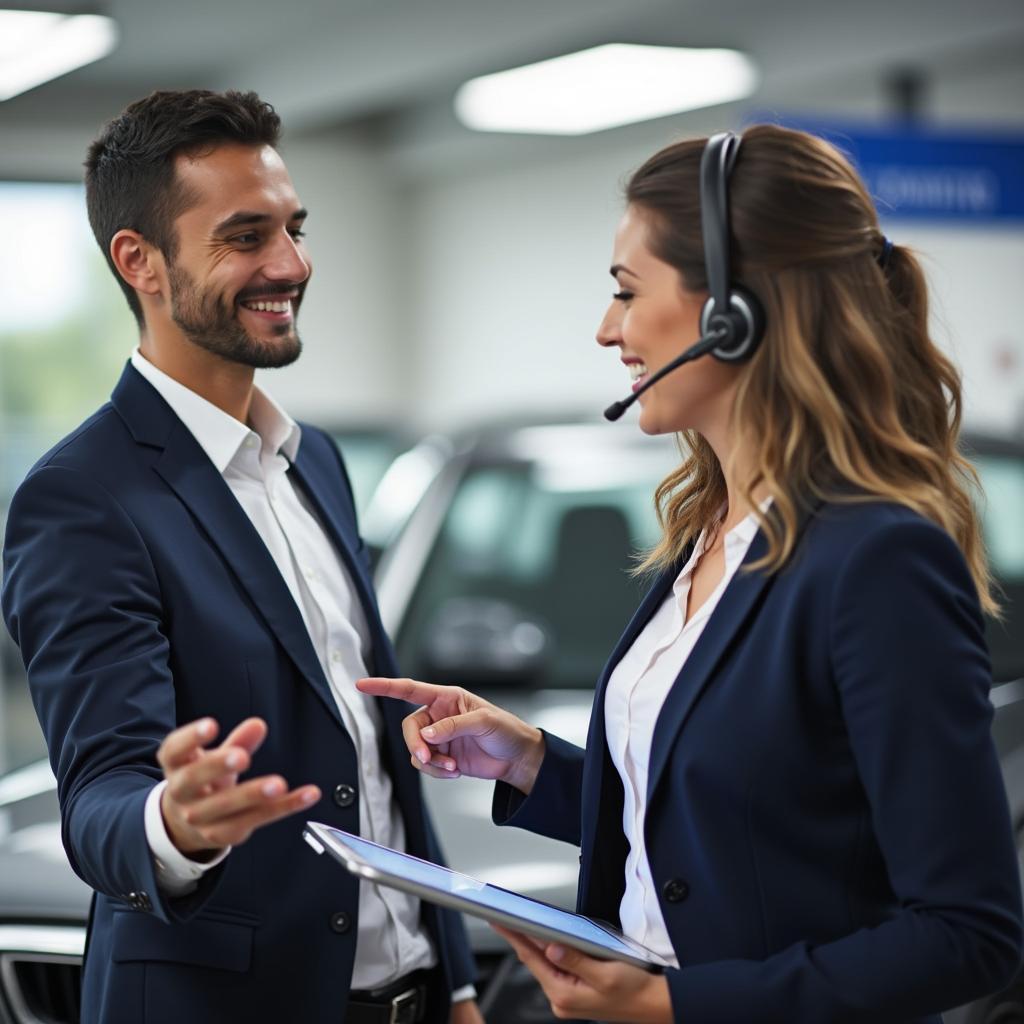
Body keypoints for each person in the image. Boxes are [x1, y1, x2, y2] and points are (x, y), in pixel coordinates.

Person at [357, 125, 1024, 1022]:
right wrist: (529, 764)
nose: (606, 329)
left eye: (627, 293)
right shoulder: (708, 530)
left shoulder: (878, 558)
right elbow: (725, 825)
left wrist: (679, 1005)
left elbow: (967, 933)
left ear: (733, 313)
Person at [1, 89, 482, 1024]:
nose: (292, 264)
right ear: (139, 261)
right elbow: (101, 800)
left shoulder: (320, 463)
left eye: (295, 229)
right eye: (246, 236)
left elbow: (373, 759)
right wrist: (175, 823)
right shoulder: (81, 500)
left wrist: (454, 976)